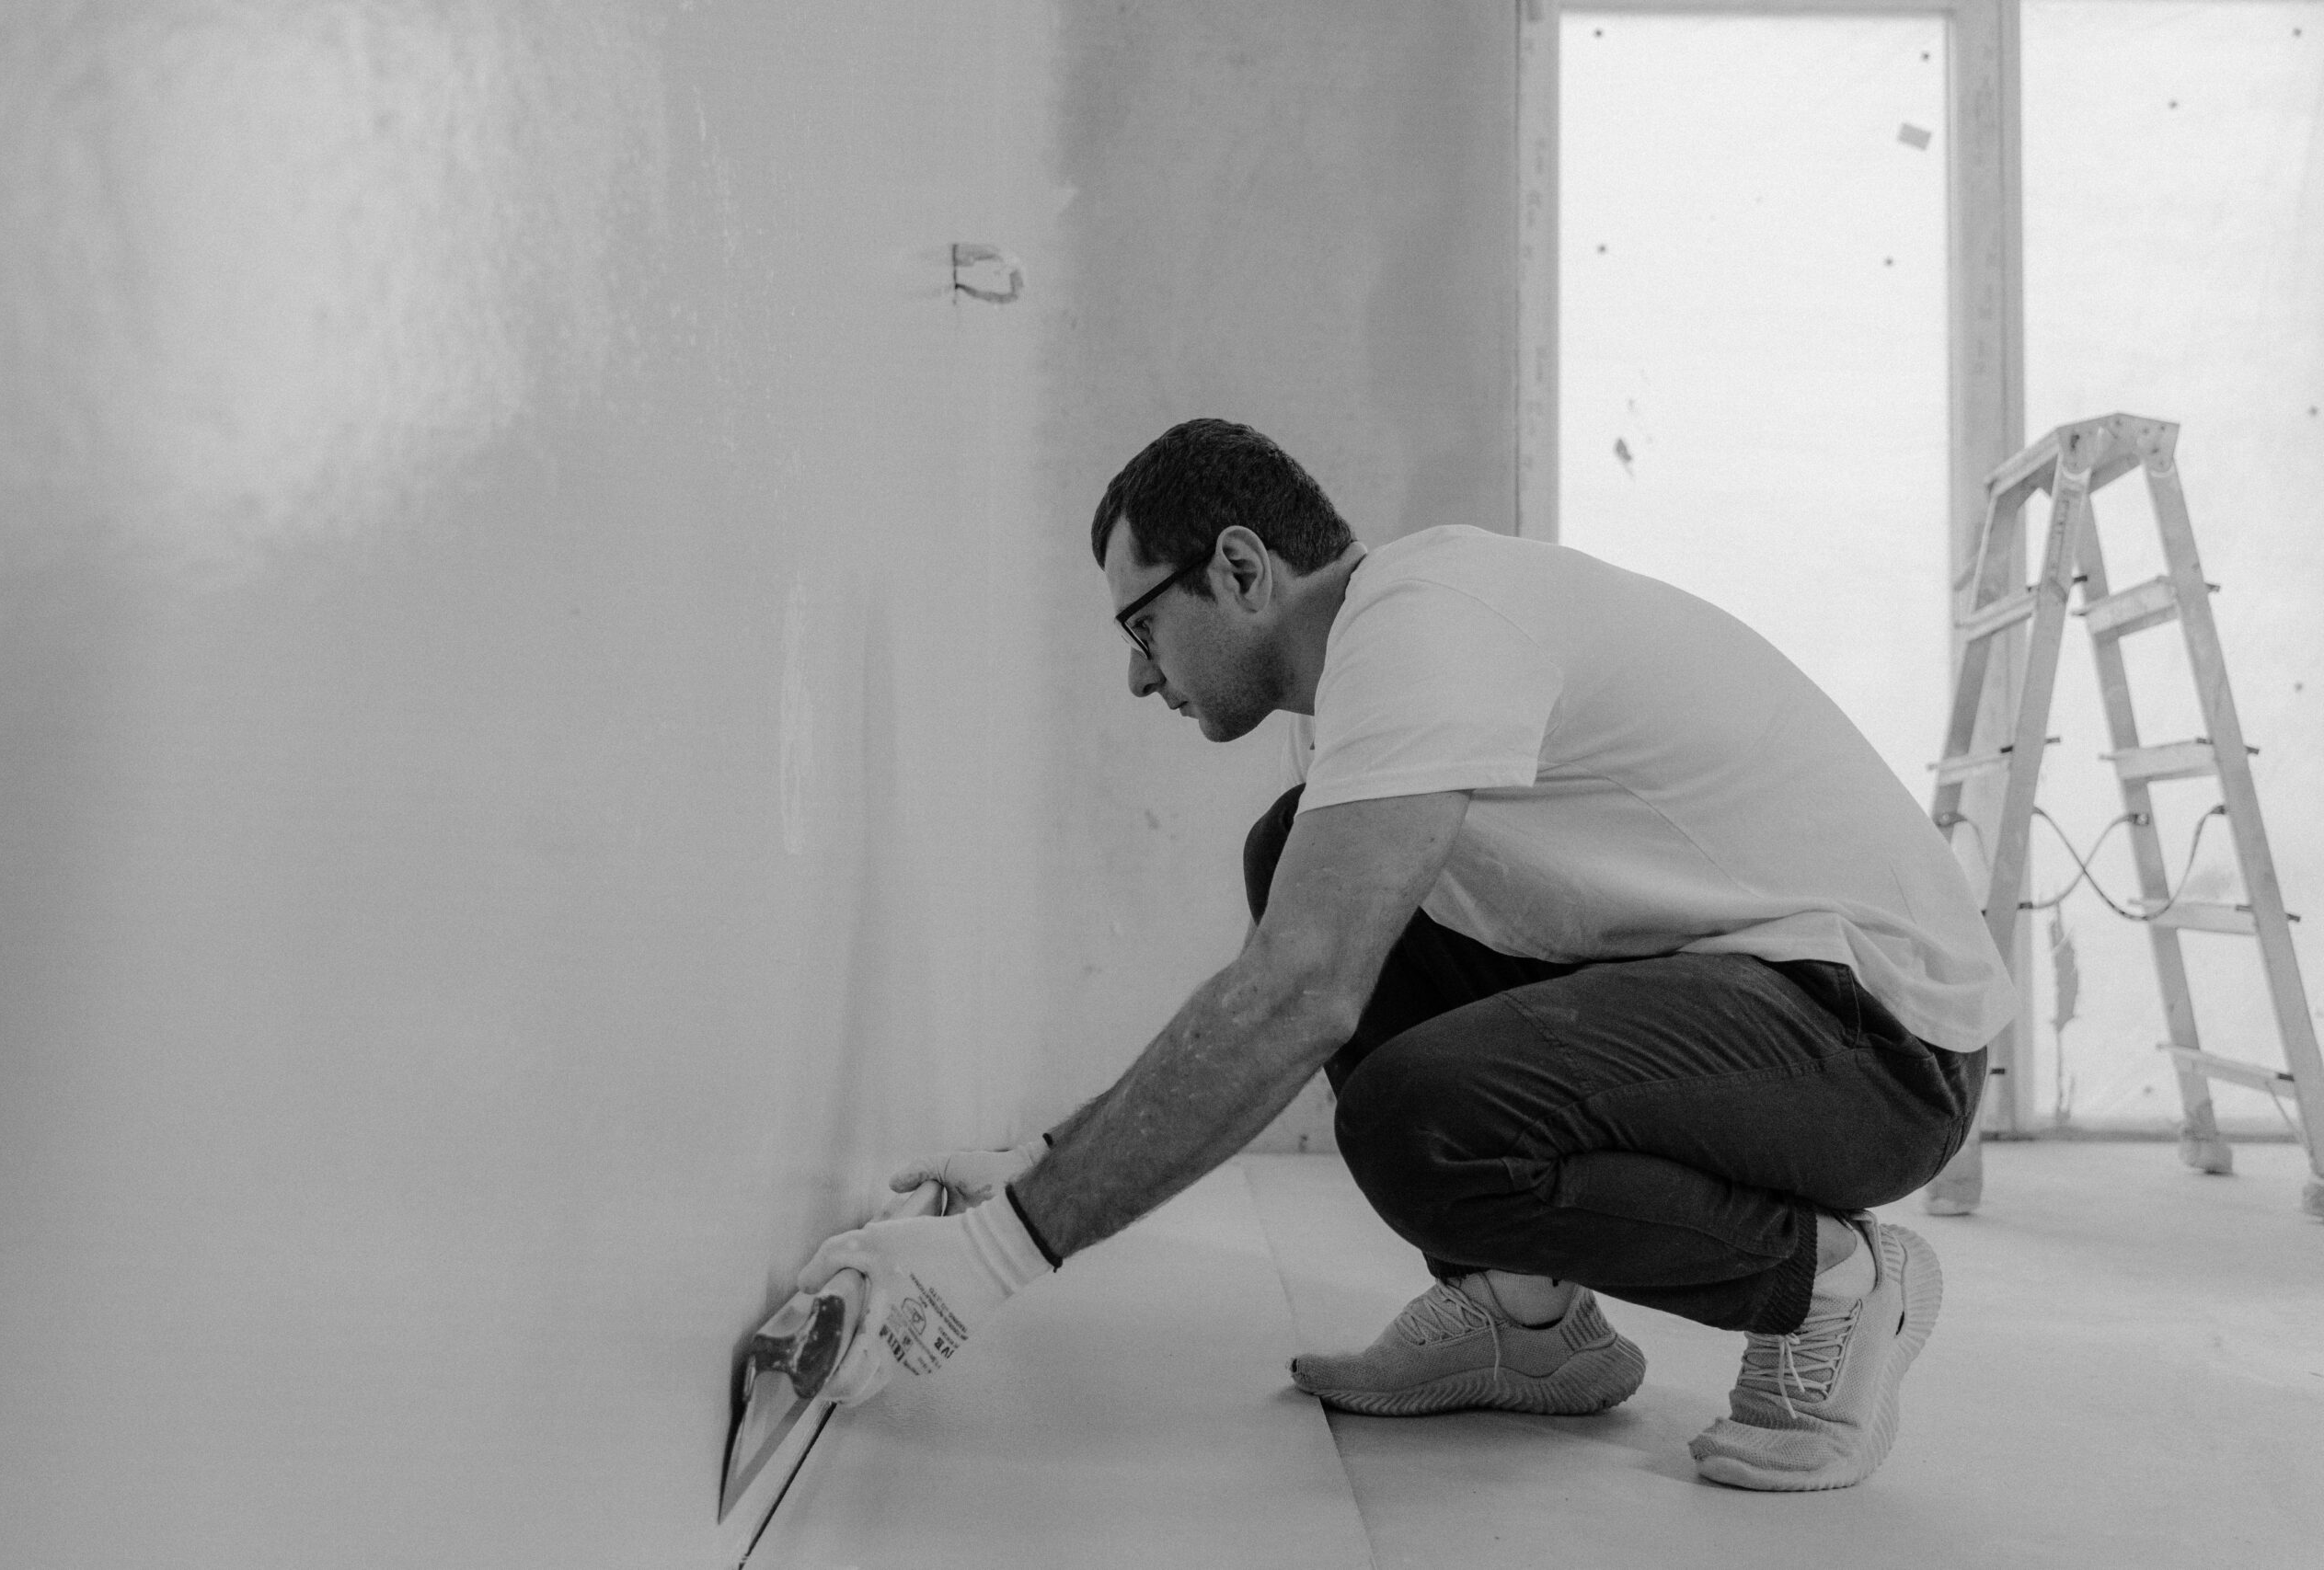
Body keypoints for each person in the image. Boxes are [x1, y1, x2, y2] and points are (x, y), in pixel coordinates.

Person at [792, 418, 2012, 1491]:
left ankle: (1838, 1286)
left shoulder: (1430, 627)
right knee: (1297, 854)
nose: (1132, 674)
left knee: (1417, 1119)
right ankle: (1524, 1319)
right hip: (1763, 1000)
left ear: (1237, 568)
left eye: (1141, 624)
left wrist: (991, 1256)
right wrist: (1045, 1160)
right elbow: (1304, 962)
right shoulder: (1379, 673)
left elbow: (1300, 998)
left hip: (1882, 1044)